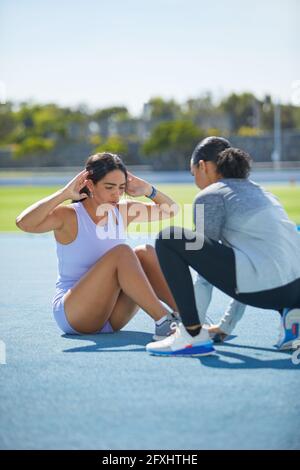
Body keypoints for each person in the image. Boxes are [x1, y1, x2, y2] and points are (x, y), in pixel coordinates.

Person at [146, 136, 300, 357]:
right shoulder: (264, 193)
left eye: (194, 175)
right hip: (294, 290)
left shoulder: (209, 196)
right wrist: (225, 327)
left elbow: (205, 274)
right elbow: (252, 260)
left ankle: (191, 336)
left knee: (169, 238)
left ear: (203, 166)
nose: (196, 181)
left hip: (267, 288)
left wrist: (194, 326)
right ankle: (293, 317)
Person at [16, 152, 180, 339]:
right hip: (74, 314)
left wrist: (149, 190)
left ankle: (187, 318)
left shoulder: (123, 210)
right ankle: (164, 321)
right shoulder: (69, 215)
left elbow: (171, 210)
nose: (116, 194)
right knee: (123, 253)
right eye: (110, 187)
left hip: (110, 316)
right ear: (90, 184)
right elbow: (24, 223)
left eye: (121, 187)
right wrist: (64, 193)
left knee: (144, 253)